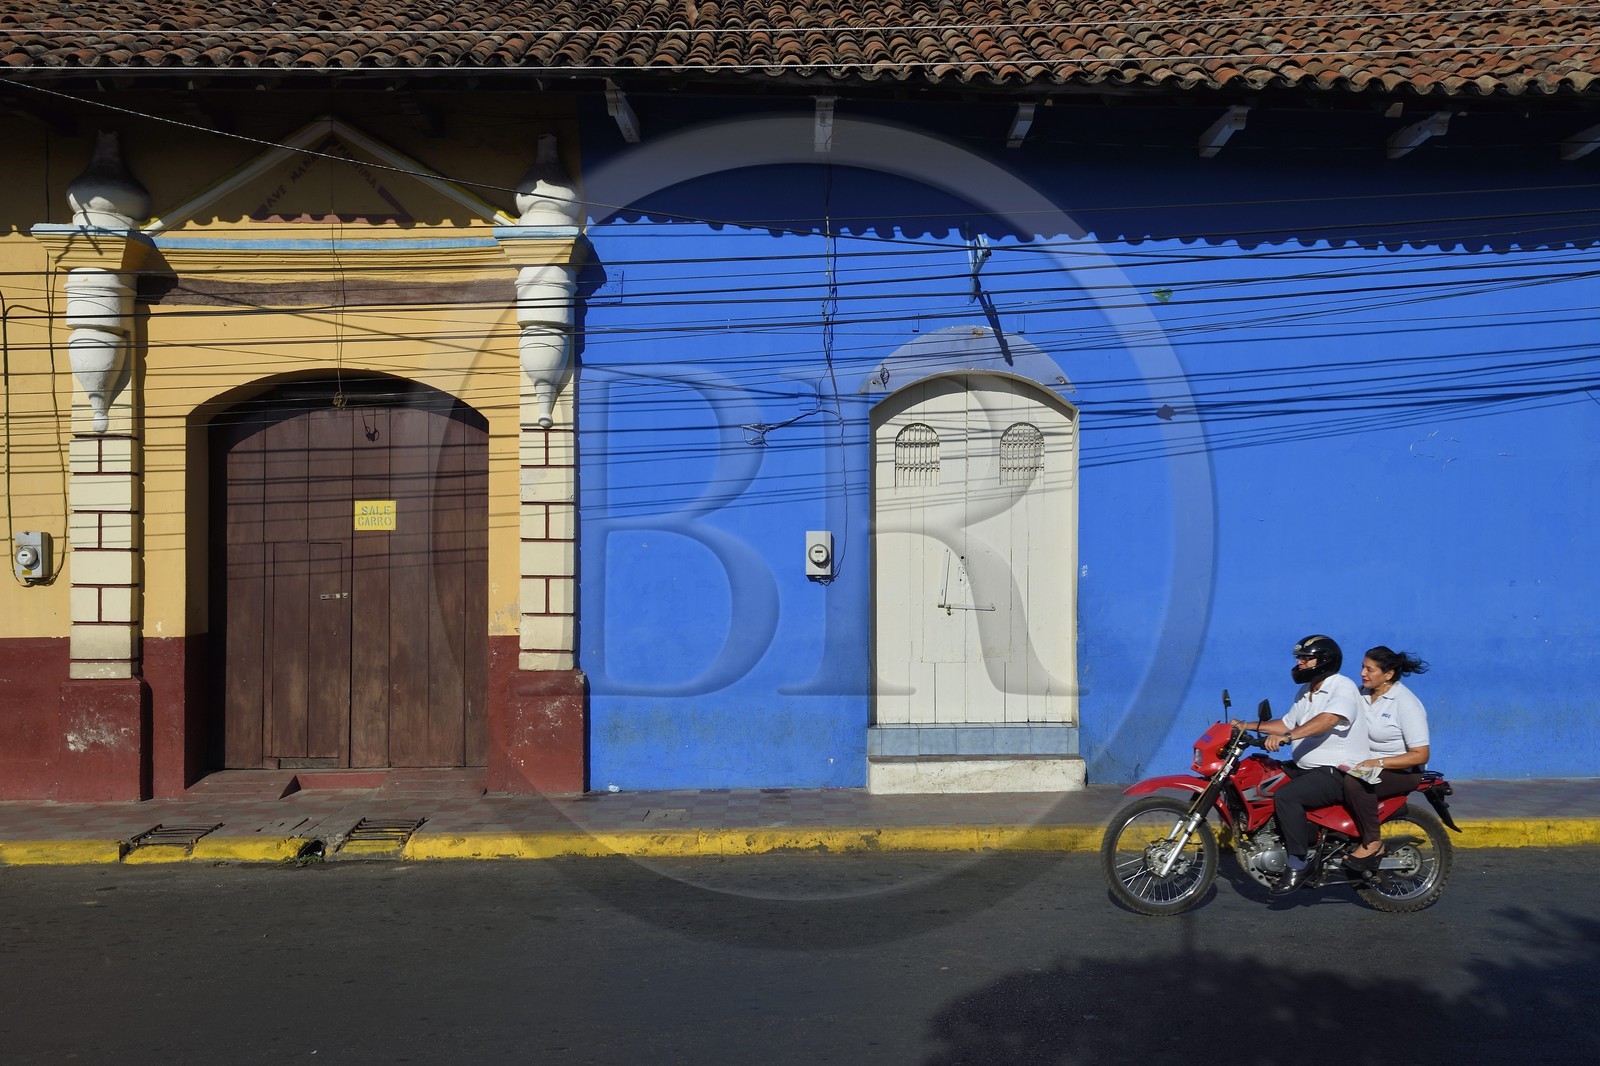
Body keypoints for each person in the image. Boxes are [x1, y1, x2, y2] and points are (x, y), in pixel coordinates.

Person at [1234, 634, 1368, 895]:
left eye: (1306, 658)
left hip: (1338, 771)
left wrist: (1288, 737)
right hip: (1308, 767)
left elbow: (1328, 719)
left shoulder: (1342, 687)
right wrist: (1246, 726)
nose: (1300, 662)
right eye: (1299, 657)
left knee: (1286, 797)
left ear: (1324, 660)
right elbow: (1286, 723)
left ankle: (1298, 863)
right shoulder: (1307, 691)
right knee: (1265, 777)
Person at [1341, 647, 1431, 872]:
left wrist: (1378, 762)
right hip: (1365, 765)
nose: (1363, 673)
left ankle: (1372, 843)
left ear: (1388, 674)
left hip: (1402, 771)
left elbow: (1420, 754)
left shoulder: (1405, 703)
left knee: (1355, 783)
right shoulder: (1361, 694)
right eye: (1362, 666)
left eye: (1369, 669)